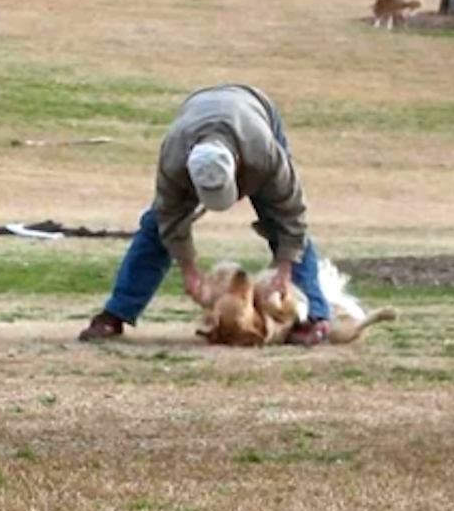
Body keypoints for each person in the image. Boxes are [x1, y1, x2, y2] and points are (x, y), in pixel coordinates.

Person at [78, 83, 333, 347]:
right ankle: (116, 313)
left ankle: (315, 317)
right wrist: (189, 271)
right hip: (196, 112)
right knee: (155, 226)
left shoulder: (264, 153)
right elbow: (170, 220)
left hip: (255, 110)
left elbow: (291, 214)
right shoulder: (174, 159)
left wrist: (284, 270)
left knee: (278, 221)